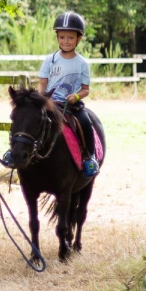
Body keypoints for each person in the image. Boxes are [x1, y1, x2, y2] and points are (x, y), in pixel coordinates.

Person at [37, 11, 98, 177]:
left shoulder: (82, 64)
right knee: (28, 118)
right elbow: (43, 83)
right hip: (51, 103)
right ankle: (17, 151)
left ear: (79, 38)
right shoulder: (49, 60)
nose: (66, 41)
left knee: (86, 122)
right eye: (62, 37)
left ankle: (89, 157)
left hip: (72, 106)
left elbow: (86, 89)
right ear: (57, 37)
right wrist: (41, 99)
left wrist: (76, 96)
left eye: (70, 37)